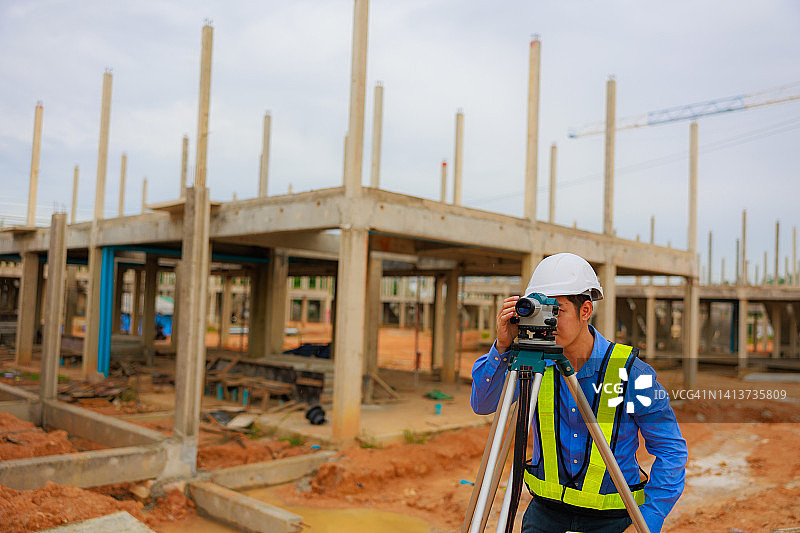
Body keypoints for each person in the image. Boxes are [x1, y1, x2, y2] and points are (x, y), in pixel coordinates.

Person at [471, 253, 687, 533]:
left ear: (585, 310)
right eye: (539, 309)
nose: (547, 321)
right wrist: (501, 347)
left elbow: (671, 450)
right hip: (545, 516)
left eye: (556, 310)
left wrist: (649, 519)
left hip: (615, 520)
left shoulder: (632, 373)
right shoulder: (529, 364)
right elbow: (483, 403)